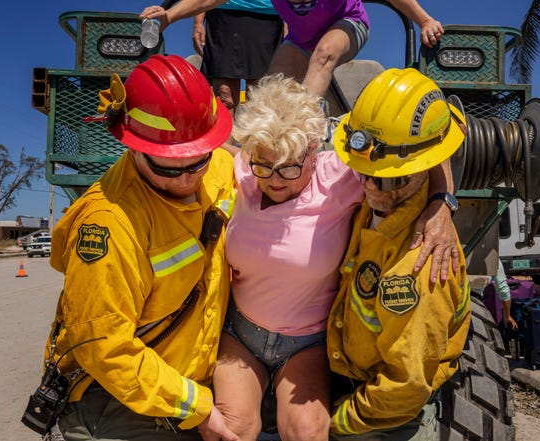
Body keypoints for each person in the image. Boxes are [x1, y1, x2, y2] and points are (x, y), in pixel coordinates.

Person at [211, 72, 460, 441]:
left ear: (313, 149)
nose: (275, 179)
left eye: (289, 167)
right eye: (264, 165)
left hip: (306, 343)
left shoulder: (339, 177)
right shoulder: (245, 170)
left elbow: (423, 150)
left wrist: (442, 204)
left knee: (309, 433)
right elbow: (199, 150)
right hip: (241, 334)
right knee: (233, 429)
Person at [38, 55, 239, 441]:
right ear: (132, 147)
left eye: (198, 159)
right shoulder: (109, 223)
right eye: (169, 166)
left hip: (180, 382)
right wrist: (198, 407)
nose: (187, 177)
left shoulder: (214, 167)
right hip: (115, 398)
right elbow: (106, 348)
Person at [327, 67, 471, 438]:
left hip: (378, 410)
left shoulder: (419, 266)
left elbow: (405, 386)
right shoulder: (381, 200)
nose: (375, 188)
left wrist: (339, 423)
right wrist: (442, 198)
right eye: (364, 172)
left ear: (423, 169)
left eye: (393, 178)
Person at [141, 0, 444, 99]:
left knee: (324, 54)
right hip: (300, 39)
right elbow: (209, 1)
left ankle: (304, 137)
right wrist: (169, 16)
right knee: (269, 93)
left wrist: (424, 20)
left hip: (349, 24)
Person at [191, 1, 284, 118]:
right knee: (224, 95)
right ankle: (225, 135)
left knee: (260, 97)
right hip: (221, 12)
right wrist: (198, 21)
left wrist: (290, 22)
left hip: (267, 15)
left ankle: (256, 135)